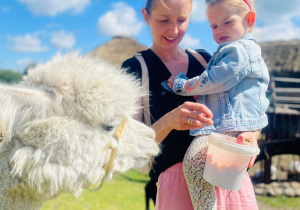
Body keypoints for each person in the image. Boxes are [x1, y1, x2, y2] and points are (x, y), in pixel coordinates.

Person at [121, 0, 261, 209]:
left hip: (227, 178)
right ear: (146, 16)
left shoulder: (206, 61)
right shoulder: (135, 69)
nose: (173, 29)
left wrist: (253, 134)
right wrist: (168, 122)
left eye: (181, 20)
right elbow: (128, 146)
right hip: (176, 186)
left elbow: (248, 101)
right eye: (164, 20)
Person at [163, 0, 268, 209]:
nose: (220, 30)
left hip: (228, 126)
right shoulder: (233, 50)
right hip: (232, 125)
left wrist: (183, 85)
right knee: (221, 177)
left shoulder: (239, 51)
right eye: (214, 26)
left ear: (250, 20)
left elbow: (214, 80)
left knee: (194, 163)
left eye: (227, 22)